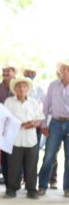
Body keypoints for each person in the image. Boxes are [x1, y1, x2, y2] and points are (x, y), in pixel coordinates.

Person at [4, 77, 45, 199]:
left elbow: (39, 119)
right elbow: (5, 119)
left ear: (27, 89)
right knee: (14, 165)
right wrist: (20, 124)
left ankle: (31, 189)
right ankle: (12, 189)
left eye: (24, 86)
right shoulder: (9, 102)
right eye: (19, 86)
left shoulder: (33, 102)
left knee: (31, 165)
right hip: (15, 139)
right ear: (15, 89)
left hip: (30, 139)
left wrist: (33, 124)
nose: (21, 89)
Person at [38, 60, 69, 197]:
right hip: (55, 123)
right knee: (49, 156)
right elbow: (45, 107)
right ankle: (42, 185)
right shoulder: (52, 85)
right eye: (63, 69)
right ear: (59, 71)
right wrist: (44, 125)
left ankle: (67, 188)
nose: (65, 71)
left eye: (68, 69)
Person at [0, 65, 16, 186]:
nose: (5, 73)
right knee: (5, 156)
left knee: (16, 156)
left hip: (17, 127)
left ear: (14, 73)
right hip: (4, 126)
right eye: (4, 71)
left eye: (8, 71)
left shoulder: (18, 86)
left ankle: (15, 182)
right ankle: (8, 184)